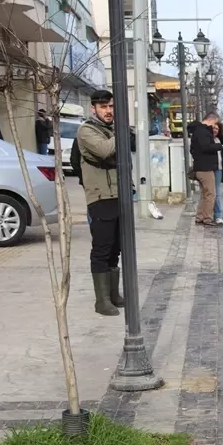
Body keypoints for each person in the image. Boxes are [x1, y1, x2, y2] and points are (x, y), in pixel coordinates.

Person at [76, 89, 129, 317]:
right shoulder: (86, 130)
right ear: (93, 108)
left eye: (111, 107)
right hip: (100, 197)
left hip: (118, 195)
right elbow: (104, 150)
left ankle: (113, 294)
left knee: (116, 248)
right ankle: (102, 300)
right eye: (104, 107)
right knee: (102, 249)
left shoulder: (110, 129)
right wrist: (123, 131)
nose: (108, 111)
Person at [188, 112, 222, 226]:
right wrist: (219, 146)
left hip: (200, 167)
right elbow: (206, 147)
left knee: (204, 194)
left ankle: (200, 217)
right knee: (210, 194)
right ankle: (207, 218)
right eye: (214, 123)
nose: (214, 126)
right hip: (206, 168)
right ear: (211, 120)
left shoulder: (197, 131)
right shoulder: (203, 132)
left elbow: (193, 149)